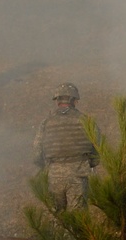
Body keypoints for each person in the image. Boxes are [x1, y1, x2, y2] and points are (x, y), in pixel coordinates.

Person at [32, 83, 99, 212]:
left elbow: (36, 153)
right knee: (78, 218)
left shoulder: (46, 122)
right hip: (78, 175)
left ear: (57, 100)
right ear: (75, 100)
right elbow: (97, 147)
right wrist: (91, 163)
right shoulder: (86, 121)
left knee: (58, 217)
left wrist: (44, 166)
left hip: (54, 176)